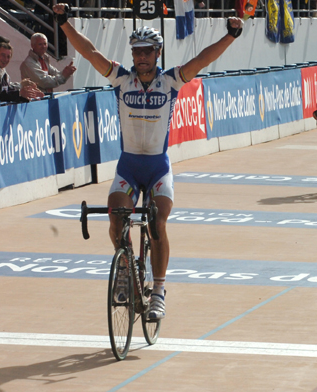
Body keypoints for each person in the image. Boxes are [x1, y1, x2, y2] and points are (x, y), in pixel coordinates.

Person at [52, 3, 243, 320]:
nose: (141, 56)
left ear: (158, 53)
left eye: (147, 51)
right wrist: (64, 23)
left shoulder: (171, 82)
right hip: (128, 167)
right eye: (137, 51)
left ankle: (158, 291)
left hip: (157, 169)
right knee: (116, 218)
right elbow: (90, 52)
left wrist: (231, 36)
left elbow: (201, 60)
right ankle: (126, 269)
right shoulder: (121, 80)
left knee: (157, 225)